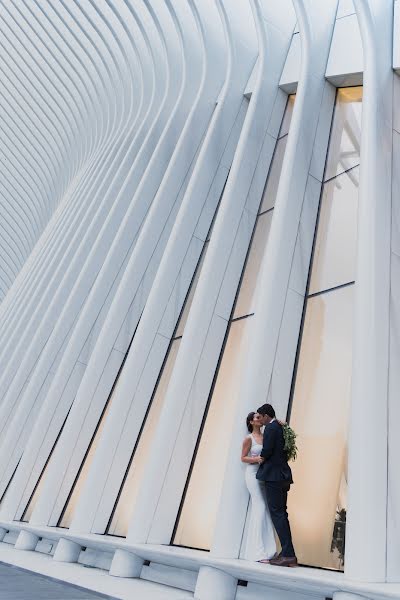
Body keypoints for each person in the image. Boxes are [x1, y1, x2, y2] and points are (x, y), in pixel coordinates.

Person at [256, 403, 297, 567]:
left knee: (278, 514)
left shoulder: (271, 429)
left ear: (267, 415)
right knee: (282, 514)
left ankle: (288, 554)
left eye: (260, 417)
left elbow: (267, 450)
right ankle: (288, 552)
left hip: (274, 477)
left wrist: (261, 458)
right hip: (283, 475)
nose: (260, 420)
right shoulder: (281, 427)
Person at [241, 412, 277, 562]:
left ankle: (269, 550)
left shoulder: (266, 436)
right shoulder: (248, 439)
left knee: (265, 509)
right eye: (256, 417)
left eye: (260, 417)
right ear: (251, 422)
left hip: (265, 476)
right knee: (260, 506)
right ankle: (257, 552)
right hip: (252, 475)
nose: (259, 419)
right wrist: (256, 459)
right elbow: (242, 458)